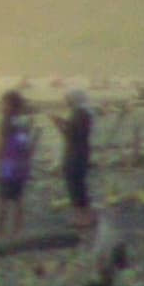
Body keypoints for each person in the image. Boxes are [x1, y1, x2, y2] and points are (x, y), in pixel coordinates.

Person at [0, 89, 37, 242]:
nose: (1, 106)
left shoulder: (6, 121)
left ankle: (0, 231)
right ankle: (17, 231)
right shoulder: (22, 120)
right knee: (17, 198)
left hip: (9, 162)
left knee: (3, 197)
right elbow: (25, 143)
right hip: (22, 163)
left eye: (3, 103)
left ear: (10, 104)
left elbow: (1, 143)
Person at [58, 86, 98, 246]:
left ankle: (83, 218)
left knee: (75, 183)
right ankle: (85, 216)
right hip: (79, 151)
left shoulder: (81, 114)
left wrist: (61, 125)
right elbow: (73, 132)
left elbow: (73, 134)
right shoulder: (82, 113)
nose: (66, 102)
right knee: (76, 183)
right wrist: (62, 124)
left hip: (76, 152)